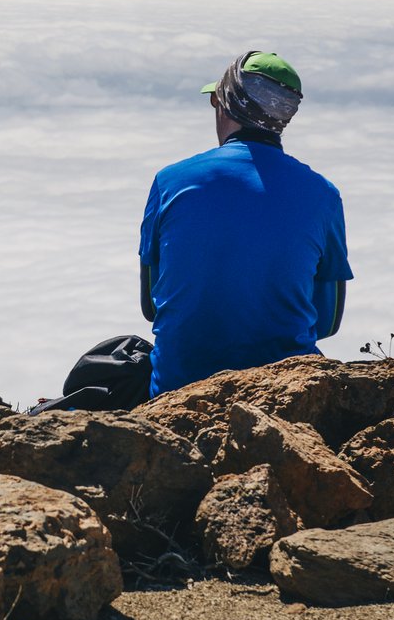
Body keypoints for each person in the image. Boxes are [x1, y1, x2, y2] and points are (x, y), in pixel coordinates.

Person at [138, 50, 351, 397]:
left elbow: (151, 305)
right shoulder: (324, 195)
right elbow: (327, 322)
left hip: (177, 391)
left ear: (229, 107)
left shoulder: (170, 181)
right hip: (284, 395)